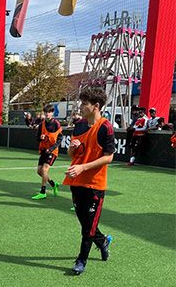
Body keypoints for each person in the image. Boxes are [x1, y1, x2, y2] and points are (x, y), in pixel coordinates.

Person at [63, 87, 115, 275]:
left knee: (87, 228)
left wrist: (83, 167)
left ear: (96, 106)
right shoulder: (79, 125)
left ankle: (81, 261)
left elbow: (109, 157)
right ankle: (102, 241)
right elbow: (70, 154)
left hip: (95, 184)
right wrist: (73, 147)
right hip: (76, 182)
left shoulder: (105, 127)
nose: (81, 106)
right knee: (86, 223)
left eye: (84, 103)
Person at [32, 104, 63, 200]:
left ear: (52, 113)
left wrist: (52, 148)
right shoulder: (42, 125)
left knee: (44, 170)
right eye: (46, 112)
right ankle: (54, 184)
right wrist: (40, 138)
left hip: (52, 151)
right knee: (39, 171)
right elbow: (37, 138)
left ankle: (43, 192)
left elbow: (60, 138)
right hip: (44, 151)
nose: (47, 114)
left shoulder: (56, 124)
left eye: (49, 112)